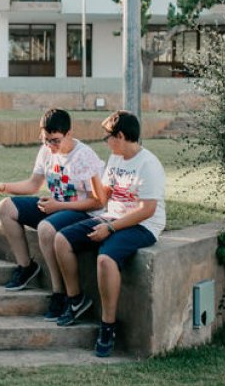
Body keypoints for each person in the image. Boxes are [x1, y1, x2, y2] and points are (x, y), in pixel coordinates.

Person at [51, 110, 165, 358]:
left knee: (105, 259)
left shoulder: (148, 164)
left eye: (107, 137)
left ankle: (108, 326)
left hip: (143, 224)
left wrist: (111, 228)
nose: (106, 142)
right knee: (61, 239)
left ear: (121, 136)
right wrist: (90, 173)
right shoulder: (116, 159)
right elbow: (103, 196)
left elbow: (148, 210)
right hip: (111, 216)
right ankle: (76, 299)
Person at [0, 108, 105, 321]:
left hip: (85, 213)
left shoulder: (83, 156)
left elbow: (97, 201)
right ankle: (26, 267)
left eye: (55, 141)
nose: (50, 146)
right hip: (56, 207)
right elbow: (33, 184)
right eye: (46, 140)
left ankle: (61, 294)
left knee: (46, 228)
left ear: (69, 133)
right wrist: (2, 186)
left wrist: (59, 205)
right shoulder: (46, 151)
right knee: (6, 207)